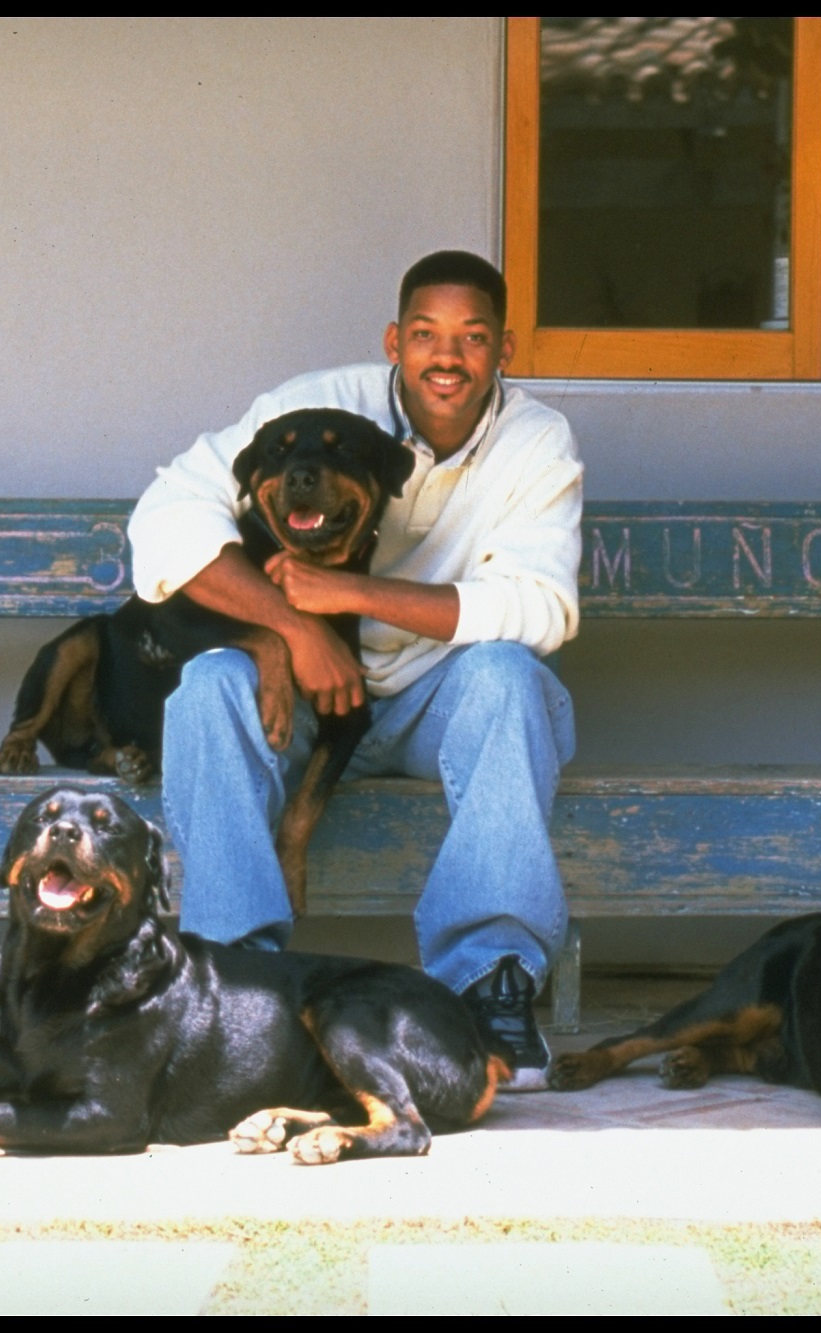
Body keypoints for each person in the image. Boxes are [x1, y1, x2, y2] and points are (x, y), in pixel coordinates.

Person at [127, 251, 583, 1089]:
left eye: (472, 337)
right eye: (425, 335)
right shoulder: (311, 407)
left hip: (430, 698)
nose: (447, 357)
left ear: (503, 351)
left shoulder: (535, 441)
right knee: (209, 687)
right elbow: (163, 525)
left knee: (510, 677)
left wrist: (349, 591)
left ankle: (489, 985)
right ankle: (234, 986)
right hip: (298, 702)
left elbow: (540, 607)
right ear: (394, 342)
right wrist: (295, 628)